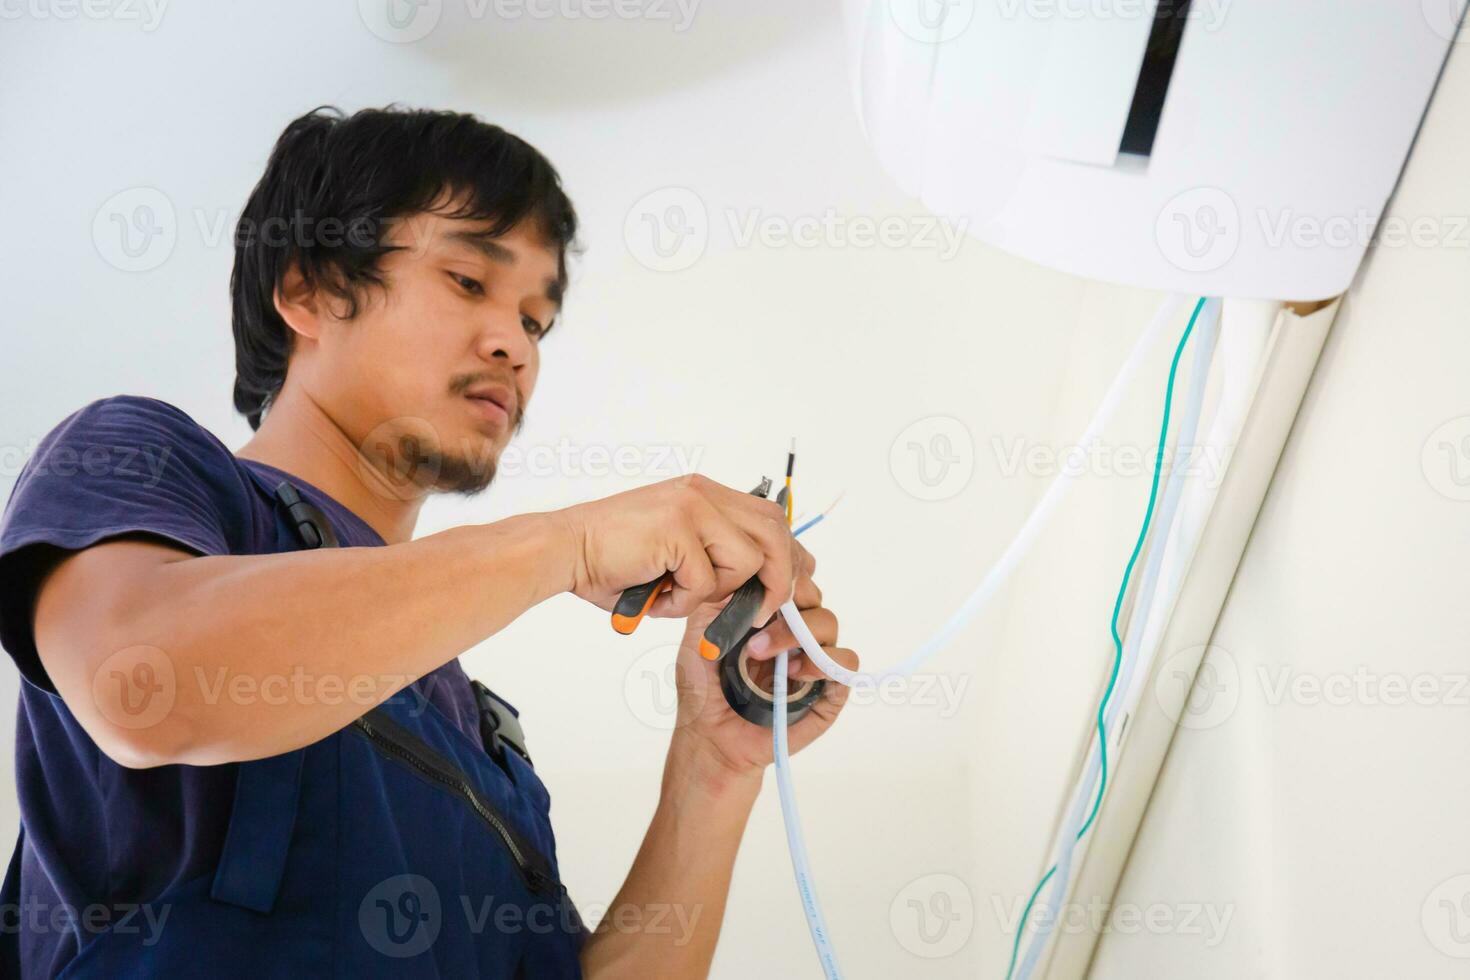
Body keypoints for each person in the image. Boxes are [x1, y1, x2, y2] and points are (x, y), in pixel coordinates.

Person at [0, 105, 857, 979]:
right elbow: (142, 682)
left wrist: (714, 762)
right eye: (468, 281)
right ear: (306, 291)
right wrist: (573, 542)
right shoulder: (147, 461)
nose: (514, 346)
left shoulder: (487, 741)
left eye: (536, 321)